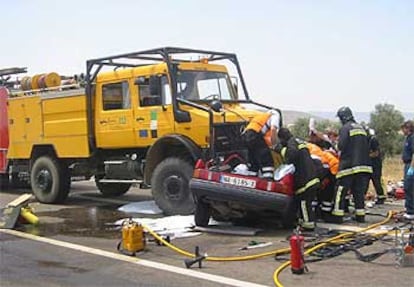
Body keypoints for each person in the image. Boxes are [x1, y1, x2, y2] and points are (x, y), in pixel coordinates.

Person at [330, 107, 372, 223]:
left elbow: (341, 146)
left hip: (349, 166)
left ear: (343, 117)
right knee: (358, 193)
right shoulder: (362, 128)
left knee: (340, 190)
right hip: (364, 166)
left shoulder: (345, 128)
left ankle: (337, 216)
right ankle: (360, 216)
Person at [277, 128, 320, 231]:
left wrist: (281, 150)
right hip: (311, 177)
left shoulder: (291, 142)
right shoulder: (298, 141)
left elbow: (291, 156)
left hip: (306, 179)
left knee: (304, 203)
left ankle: (308, 226)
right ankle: (296, 222)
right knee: (300, 202)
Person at [243, 110, 280, 179]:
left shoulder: (262, 116)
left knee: (253, 157)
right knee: (266, 157)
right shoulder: (275, 116)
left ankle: (252, 176)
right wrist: (274, 145)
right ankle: (268, 178)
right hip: (255, 135)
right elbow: (273, 129)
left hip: (246, 136)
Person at [366, 127, 386, 204]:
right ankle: (361, 197)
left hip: (375, 165)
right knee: (365, 182)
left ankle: (381, 197)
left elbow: (376, 153)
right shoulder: (365, 141)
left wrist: (366, 156)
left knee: (376, 181)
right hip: (368, 164)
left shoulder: (373, 140)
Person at [401, 120, 414, 220]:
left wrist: (411, 168)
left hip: (411, 164)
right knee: (408, 187)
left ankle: (411, 211)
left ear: (408, 128)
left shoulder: (412, 138)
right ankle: (409, 208)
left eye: (404, 128)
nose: (402, 131)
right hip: (407, 164)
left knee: (409, 187)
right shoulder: (408, 138)